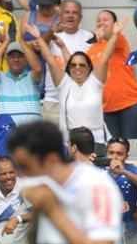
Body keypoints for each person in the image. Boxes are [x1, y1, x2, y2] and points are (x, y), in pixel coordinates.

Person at [31, 21, 118, 157]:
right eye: (73, 65)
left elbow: (105, 58)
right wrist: (39, 38)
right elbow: (50, 60)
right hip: (72, 145)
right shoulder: (64, 83)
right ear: (68, 68)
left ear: (89, 67)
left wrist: (115, 35)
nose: (77, 68)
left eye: (82, 65)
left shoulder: (95, 82)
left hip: (98, 144)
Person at [86, 11, 137, 142]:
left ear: (114, 24)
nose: (101, 23)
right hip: (106, 106)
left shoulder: (119, 39)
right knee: (112, 146)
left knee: (128, 145)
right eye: (99, 20)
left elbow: (111, 43)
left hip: (129, 103)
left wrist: (114, 33)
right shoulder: (91, 49)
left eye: (106, 20)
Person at [39, 0, 92, 123]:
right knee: (52, 142)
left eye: (75, 13)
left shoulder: (89, 37)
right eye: (67, 12)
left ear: (80, 17)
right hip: (53, 101)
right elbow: (39, 44)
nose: (70, 16)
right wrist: (52, 31)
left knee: (79, 142)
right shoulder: (52, 37)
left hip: (80, 101)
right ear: (60, 15)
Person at [0, 26, 42, 127]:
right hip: (7, 131)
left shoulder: (31, 76)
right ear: (6, 59)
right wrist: (5, 43)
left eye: (20, 56)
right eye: (12, 56)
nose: (16, 59)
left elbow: (37, 68)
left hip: (32, 130)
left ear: (26, 58)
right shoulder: (0, 77)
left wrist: (21, 41)